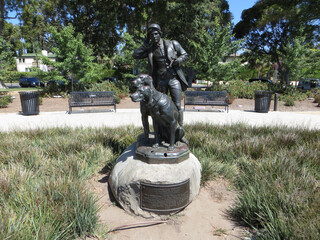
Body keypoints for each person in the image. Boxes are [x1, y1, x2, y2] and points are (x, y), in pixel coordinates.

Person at [132, 23, 188, 127]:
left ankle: (179, 130)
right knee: (161, 105)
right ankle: (163, 132)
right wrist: (145, 44)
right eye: (151, 35)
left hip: (173, 78)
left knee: (177, 105)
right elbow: (135, 55)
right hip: (160, 81)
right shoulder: (150, 50)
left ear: (160, 34)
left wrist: (178, 61)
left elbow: (185, 55)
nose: (154, 37)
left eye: (156, 34)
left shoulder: (172, 43)